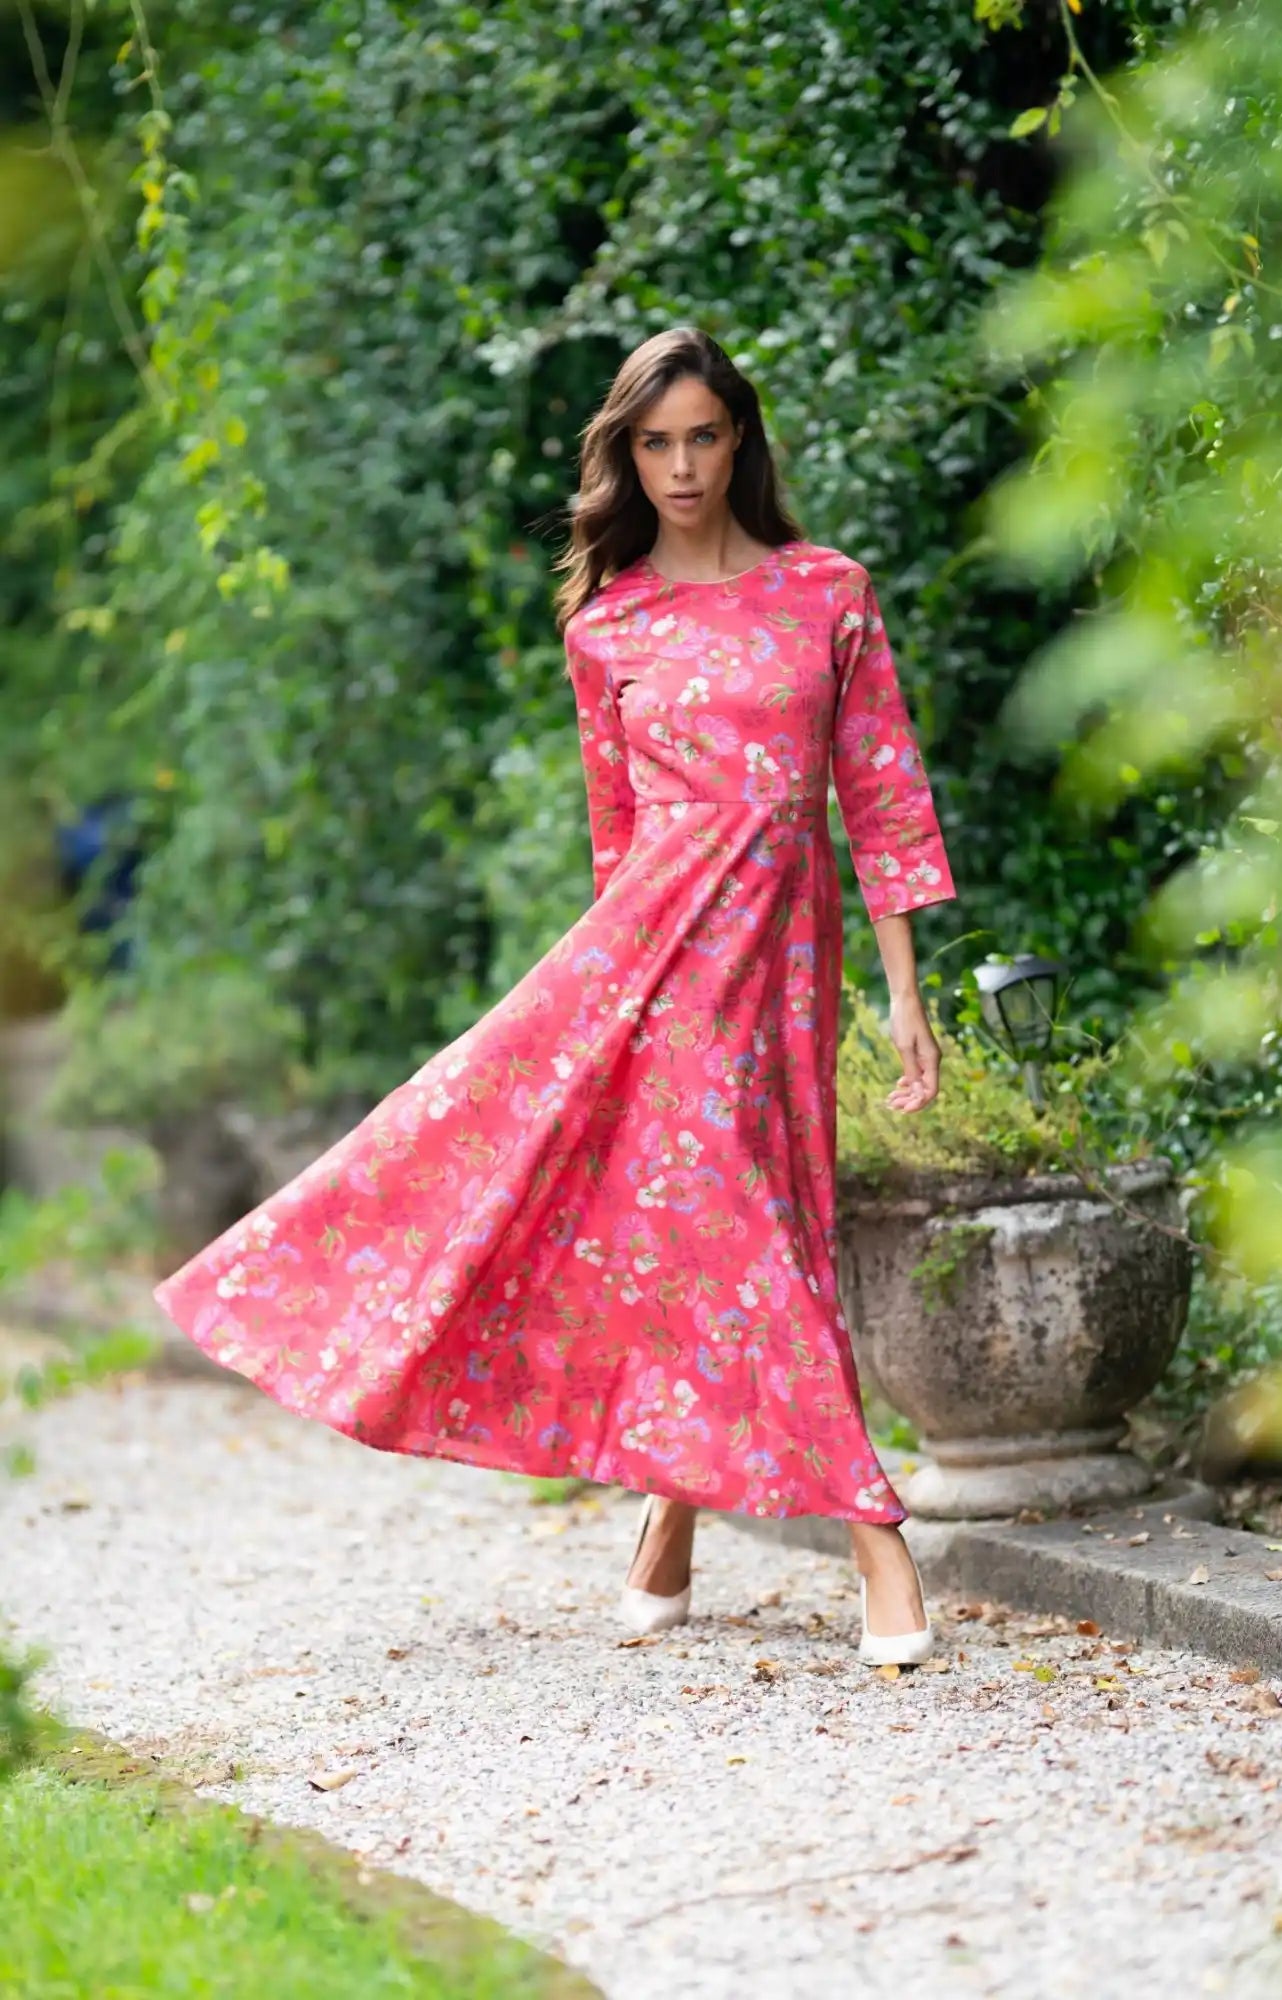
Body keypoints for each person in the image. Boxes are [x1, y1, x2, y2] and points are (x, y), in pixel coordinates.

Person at [152, 326, 957, 1669]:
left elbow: (879, 794)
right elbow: (615, 837)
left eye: (703, 438)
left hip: (788, 966)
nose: (681, 467)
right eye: (655, 443)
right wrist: (606, 1017)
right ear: (625, 456)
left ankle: (667, 1517)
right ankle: (876, 1532)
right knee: (732, 1218)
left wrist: (904, 995)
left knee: (764, 1216)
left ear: (741, 442)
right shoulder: (609, 622)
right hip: (655, 964)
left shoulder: (827, 592)